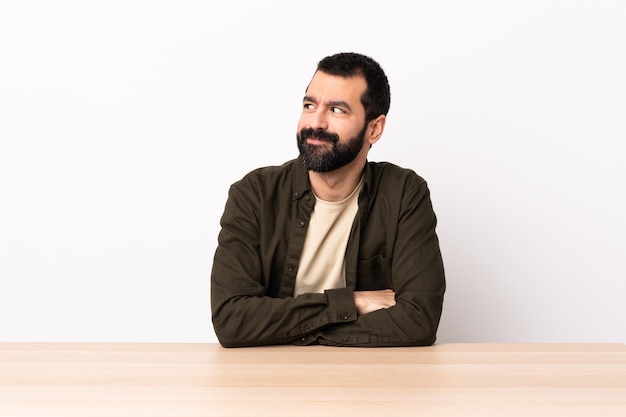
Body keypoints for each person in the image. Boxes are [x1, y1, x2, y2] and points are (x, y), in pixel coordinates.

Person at [211, 52, 445, 347]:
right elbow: (232, 321)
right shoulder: (254, 194)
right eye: (309, 105)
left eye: (336, 110)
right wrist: (351, 302)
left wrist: (289, 328)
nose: (316, 122)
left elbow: (419, 320)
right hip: (269, 378)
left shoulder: (403, 194)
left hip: (366, 379)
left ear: (374, 128)